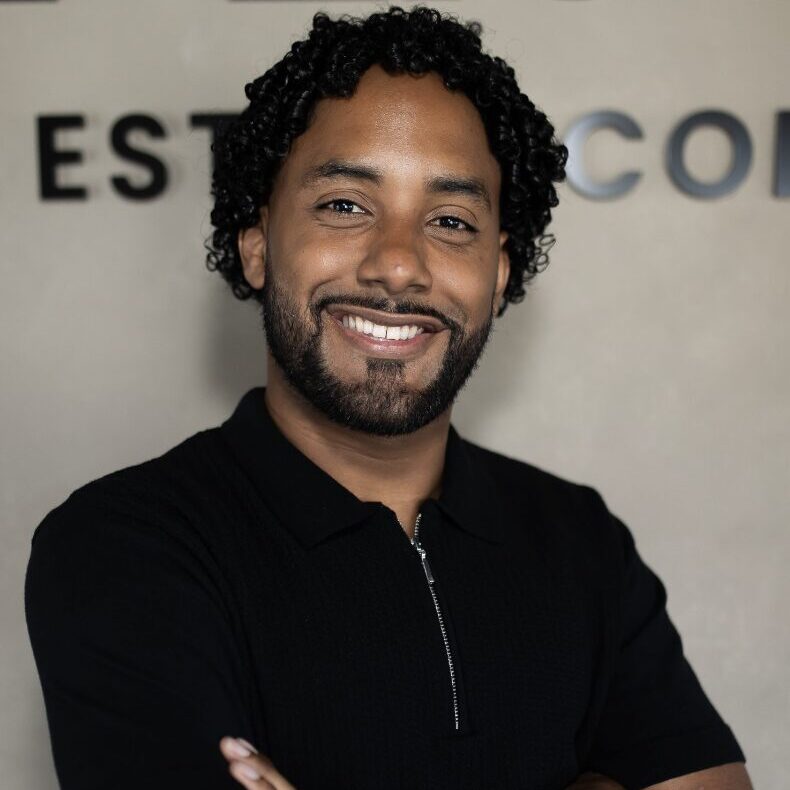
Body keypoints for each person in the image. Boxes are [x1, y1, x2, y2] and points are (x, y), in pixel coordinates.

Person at [24, 7, 751, 790]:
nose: (398, 265)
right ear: (258, 243)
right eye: (345, 205)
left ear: (499, 273)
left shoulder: (580, 539)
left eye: (451, 220)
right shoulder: (126, 545)